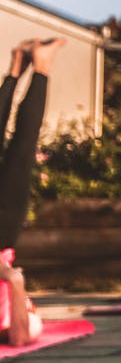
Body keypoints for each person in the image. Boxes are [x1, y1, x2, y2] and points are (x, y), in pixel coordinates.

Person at [0, 39, 64, 347]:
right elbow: (22, 337)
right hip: (3, 236)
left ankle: (24, 68)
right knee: (21, 151)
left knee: (22, 150)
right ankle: (31, 66)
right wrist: (14, 280)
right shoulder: (20, 320)